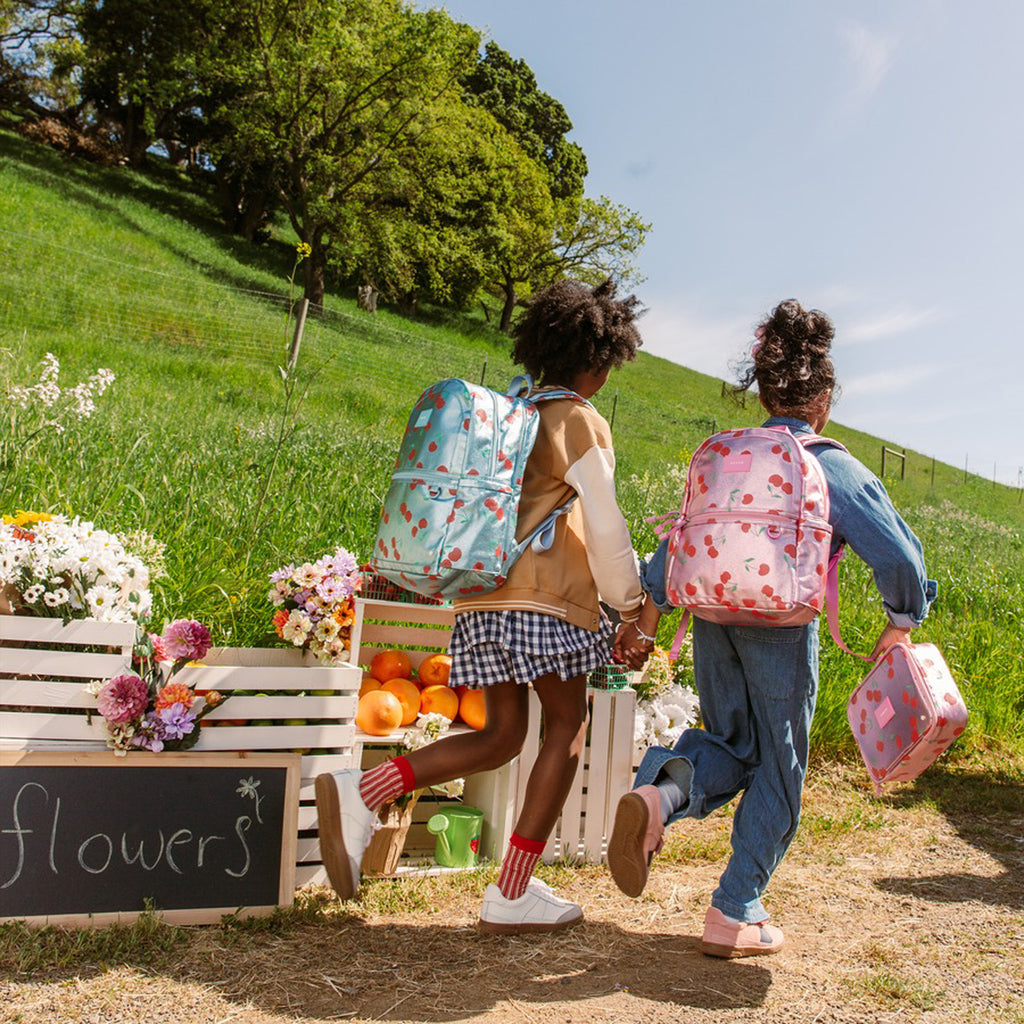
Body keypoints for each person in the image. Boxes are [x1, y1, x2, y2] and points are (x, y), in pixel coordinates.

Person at [316, 279, 646, 933]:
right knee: (567, 731)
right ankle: (512, 892)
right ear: (600, 359)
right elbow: (605, 527)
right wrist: (631, 603)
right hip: (547, 605)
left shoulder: (514, 414)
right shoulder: (577, 418)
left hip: (480, 598)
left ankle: (363, 793)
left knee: (500, 736)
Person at [609, 298, 936, 958]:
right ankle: (735, 908)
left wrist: (648, 619)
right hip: (780, 627)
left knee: (729, 741)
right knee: (781, 765)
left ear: (762, 391)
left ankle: (658, 796)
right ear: (823, 399)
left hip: (711, 616)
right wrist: (902, 621)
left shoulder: (727, 456)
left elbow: (677, 547)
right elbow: (898, 553)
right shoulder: (828, 462)